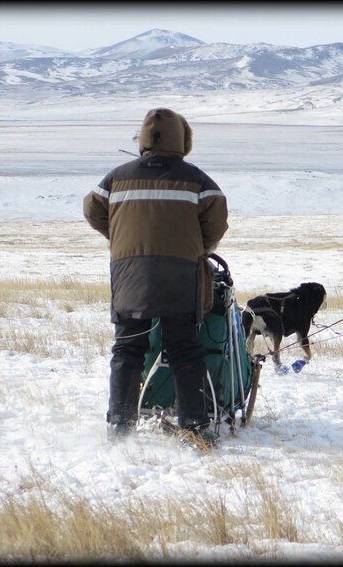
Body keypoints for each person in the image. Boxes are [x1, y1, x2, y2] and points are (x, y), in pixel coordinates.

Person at [83, 108, 228, 444]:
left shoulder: (115, 178)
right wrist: (197, 247)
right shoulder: (199, 182)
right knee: (184, 349)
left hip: (130, 273)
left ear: (143, 140)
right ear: (183, 140)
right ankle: (194, 427)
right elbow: (216, 222)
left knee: (127, 349)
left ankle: (120, 426)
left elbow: (92, 210)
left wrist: (119, 237)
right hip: (181, 275)